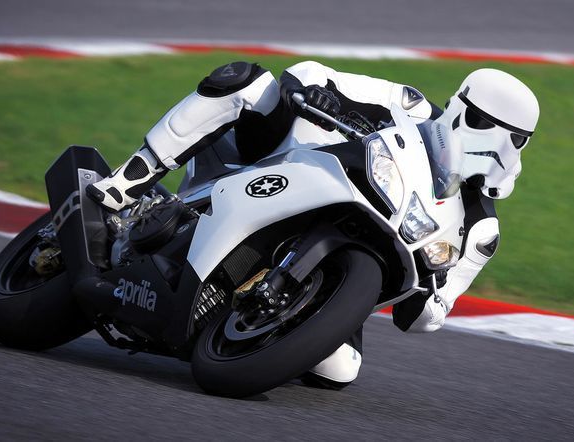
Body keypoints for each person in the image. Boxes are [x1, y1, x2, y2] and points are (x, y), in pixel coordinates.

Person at [86, 60, 540, 390]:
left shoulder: (479, 228)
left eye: (513, 138)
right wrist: (318, 96)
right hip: (277, 166)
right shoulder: (408, 107)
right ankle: (126, 183)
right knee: (247, 82)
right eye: (483, 122)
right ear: (459, 106)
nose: (495, 144)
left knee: (338, 369)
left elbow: (435, 310)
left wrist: (428, 300)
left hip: (355, 249)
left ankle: (258, 321)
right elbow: (313, 75)